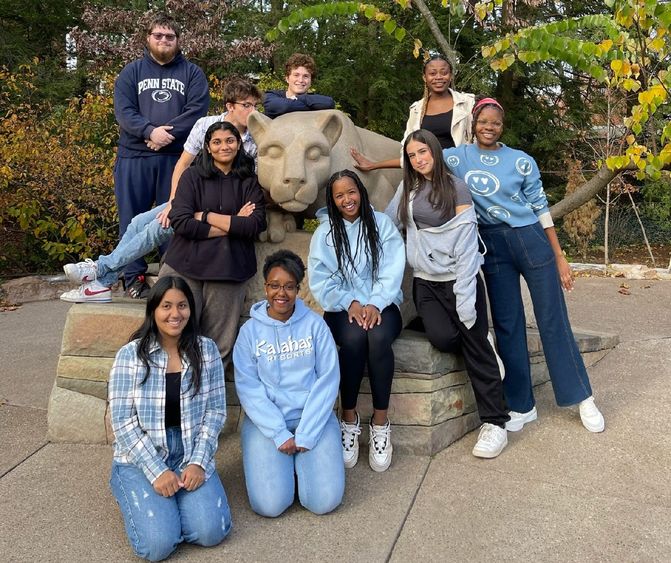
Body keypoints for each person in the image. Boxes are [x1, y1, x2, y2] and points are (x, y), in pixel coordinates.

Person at [443, 98, 605, 433]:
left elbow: (542, 209)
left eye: (496, 123)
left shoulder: (520, 161)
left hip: (529, 239)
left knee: (552, 319)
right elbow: (419, 157)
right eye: (484, 122)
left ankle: (582, 397)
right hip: (492, 246)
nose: (489, 127)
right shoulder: (457, 157)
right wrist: (372, 166)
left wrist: (559, 256)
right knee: (507, 324)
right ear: (474, 122)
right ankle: (521, 404)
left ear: (502, 126)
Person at [60, 79, 261, 303]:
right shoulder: (206, 125)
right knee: (137, 222)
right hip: (194, 196)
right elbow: (183, 164)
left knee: (160, 225)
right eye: (246, 105)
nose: (252, 111)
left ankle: (101, 268)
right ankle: (103, 284)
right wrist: (175, 202)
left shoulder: (255, 139)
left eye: (255, 105)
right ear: (230, 106)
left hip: (223, 202)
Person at [386, 129, 510, 458]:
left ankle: (496, 422)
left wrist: (466, 296)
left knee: (475, 345)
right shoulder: (406, 189)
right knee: (443, 338)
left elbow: (468, 248)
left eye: (423, 152)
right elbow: (386, 224)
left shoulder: (456, 187)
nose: (418, 159)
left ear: (435, 151)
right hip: (425, 281)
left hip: (459, 278)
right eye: (412, 155)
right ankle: (482, 339)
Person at [108, 276, 231, 561]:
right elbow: (123, 422)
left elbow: (215, 411)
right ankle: (127, 484)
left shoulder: (206, 350)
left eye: (182, 306)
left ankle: (177, 502)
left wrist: (199, 462)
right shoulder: (131, 356)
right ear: (153, 310)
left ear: (191, 309)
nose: (175, 314)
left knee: (211, 532)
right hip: (142, 455)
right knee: (158, 546)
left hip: (188, 448)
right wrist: (157, 471)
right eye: (166, 306)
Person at [233, 250, 344, 517]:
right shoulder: (249, 333)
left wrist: (306, 433)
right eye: (274, 285)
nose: (280, 293)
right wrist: (278, 433)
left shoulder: (316, 326)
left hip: (312, 417)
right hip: (267, 424)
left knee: (325, 502)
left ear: (298, 288)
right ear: (265, 286)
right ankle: (286, 470)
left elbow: (328, 380)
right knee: (269, 506)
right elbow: (248, 387)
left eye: (289, 286)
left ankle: (301, 468)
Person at [308, 170, 405, 472]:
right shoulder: (324, 234)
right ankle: (348, 420)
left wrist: (374, 303)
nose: (347, 199)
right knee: (351, 340)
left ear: (361, 192)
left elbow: (392, 269)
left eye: (351, 192)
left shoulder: (382, 225)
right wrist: (349, 302)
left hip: (384, 303)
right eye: (339, 195)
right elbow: (321, 279)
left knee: (376, 339)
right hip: (341, 307)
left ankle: (380, 423)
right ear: (332, 200)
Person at [114, 13, 209, 298]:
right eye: (158, 35)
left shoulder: (192, 73)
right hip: (134, 157)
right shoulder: (131, 72)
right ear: (148, 38)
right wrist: (148, 131)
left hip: (177, 159)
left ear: (178, 41)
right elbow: (123, 110)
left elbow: (197, 110)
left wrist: (165, 135)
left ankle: (172, 278)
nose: (164, 40)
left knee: (175, 217)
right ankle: (133, 278)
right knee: (132, 220)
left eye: (169, 36)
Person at [160, 121, 266, 363]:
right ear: (207, 147)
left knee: (218, 346)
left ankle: (207, 396)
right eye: (216, 142)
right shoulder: (192, 177)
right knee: (173, 334)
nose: (224, 147)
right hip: (185, 264)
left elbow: (254, 225)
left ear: (239, 144)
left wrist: (206, 216)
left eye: (230, 141)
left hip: (228, 268)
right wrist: (233, 223)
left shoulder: (249, 181)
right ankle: (172, 392)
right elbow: (182, 222)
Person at [350, 53, 474, 171]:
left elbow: (480, 143)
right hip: (425, 176)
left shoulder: (468, 103)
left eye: (444, 73)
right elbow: (409, 152)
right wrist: (373, 165)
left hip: (459, 173)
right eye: (432, 73)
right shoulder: (417, 110)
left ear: (451, 75)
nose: (438, 77)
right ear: (424, 77)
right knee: (402, 194)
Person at [263, 53, 335, 118]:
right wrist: (312, 105)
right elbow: (285, 107)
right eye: (296, 75)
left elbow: (329, 103)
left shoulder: (312, 99)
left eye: (306, 76)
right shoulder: (271, 96)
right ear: (287, 78)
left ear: (311, 81)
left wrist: (299, 98)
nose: (301, 80)